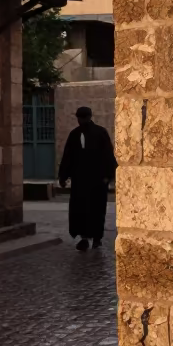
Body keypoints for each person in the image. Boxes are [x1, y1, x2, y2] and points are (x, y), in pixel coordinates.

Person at [58, 106, 118, 250]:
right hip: (81, 181)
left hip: (96, 180)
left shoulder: (99, 133)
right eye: (79, 117)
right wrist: (63, 176)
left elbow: (108, 155)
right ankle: (85, 238)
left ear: (89, 117)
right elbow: (68, 156)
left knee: (96, 209)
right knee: (82, 209)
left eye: (82, 117)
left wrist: (109, 176)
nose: (81, 120)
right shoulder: (75, 134)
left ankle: (96, 237)